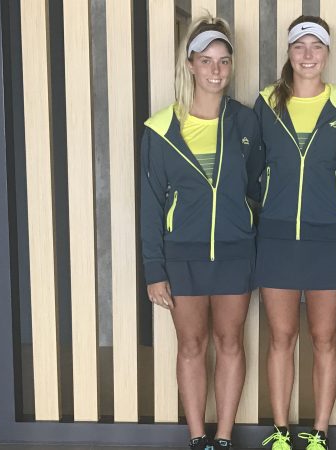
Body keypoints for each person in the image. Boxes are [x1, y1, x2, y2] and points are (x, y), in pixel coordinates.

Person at [140, 16, 264, 450]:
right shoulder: (160, 129)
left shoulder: (245, 122)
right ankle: (197, 438)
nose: (216, 69)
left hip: (235, 252)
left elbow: (257, 187)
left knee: (230, 342)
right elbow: (151, 204)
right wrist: (155, 269)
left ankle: (224, 437)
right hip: (182, 255)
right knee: (191, 345)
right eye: (206, 60)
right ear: (190, 64)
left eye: (223, 61)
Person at [253, 15, 336, 450]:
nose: (308, 55)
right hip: (276, 237)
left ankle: (319, 432)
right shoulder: (266, 103)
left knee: (325, 338)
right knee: (281, 338)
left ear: (328, 54)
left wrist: (329, 189)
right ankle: (280, 431)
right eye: (300, 46)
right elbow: (253, 165)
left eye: (316, 46)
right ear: (289, 53)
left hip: (327, 238)